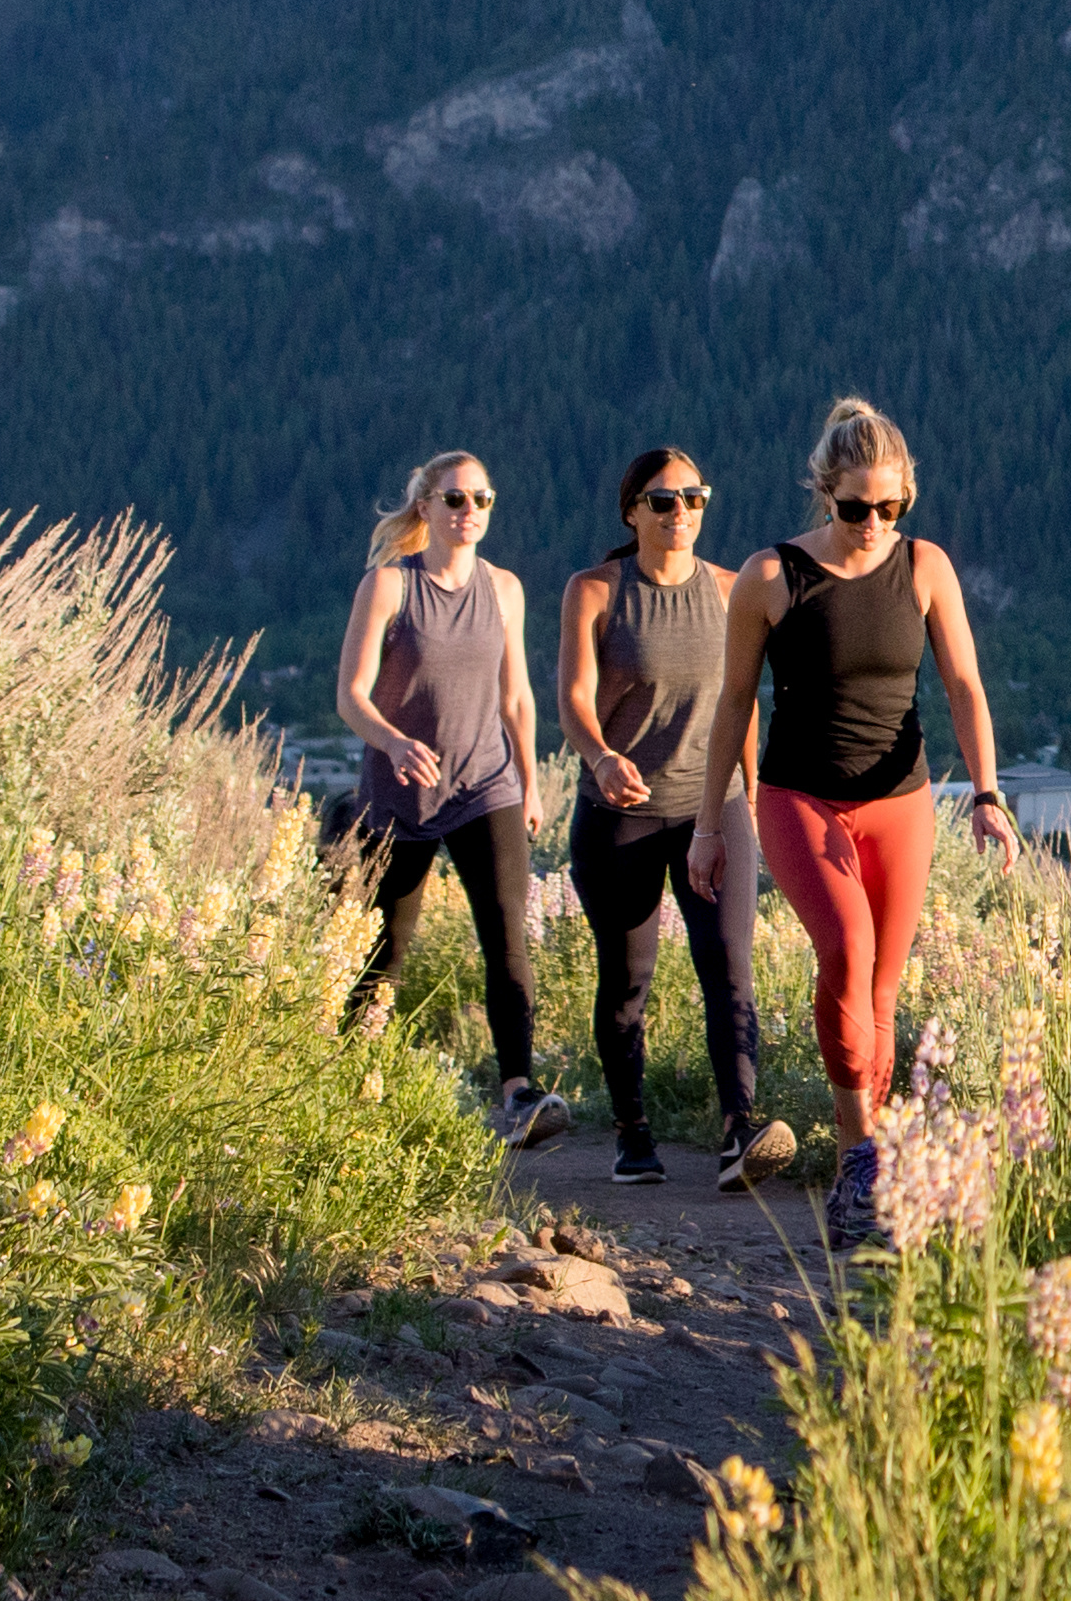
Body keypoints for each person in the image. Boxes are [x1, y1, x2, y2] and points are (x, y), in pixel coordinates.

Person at [723, 395, 1015, 1246]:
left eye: (893, 508)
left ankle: (871, 1173)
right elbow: (735, 701)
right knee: (846, 951)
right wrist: (714, 819)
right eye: (858, 508)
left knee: (880, 991)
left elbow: (964, 686)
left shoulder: (925, 568)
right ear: (825, 492)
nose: (875, 522)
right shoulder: (771, 577)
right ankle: (861, 1160)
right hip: (799, 796)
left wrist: (986, 795)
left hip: (902, 802)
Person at [560, 442, 792, 1192]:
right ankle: (632, 1131)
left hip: (712, 807)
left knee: (729, 966)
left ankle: (739, 1129)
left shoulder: (730, 589)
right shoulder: (595, 591)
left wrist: (749, 797)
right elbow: (571, 697)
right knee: (628, 979)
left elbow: (741, 703)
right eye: (664, 501)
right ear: (632, 512)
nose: (681, 512)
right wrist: (599, 757)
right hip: (620, 812)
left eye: (694, 498)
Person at [333, 447, 558, 1147]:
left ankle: (518, 1093)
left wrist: (527, 778)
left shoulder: (506, 589)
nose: (469, 513)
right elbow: (350, 697)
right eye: (455, 500)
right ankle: (353, 1095)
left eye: (482, 500)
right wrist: (394, 743)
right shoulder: (389, 588)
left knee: (505, 934)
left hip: (483, 783)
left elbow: (516, 695)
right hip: (398, 794)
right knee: (384, 951)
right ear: (425, 507)